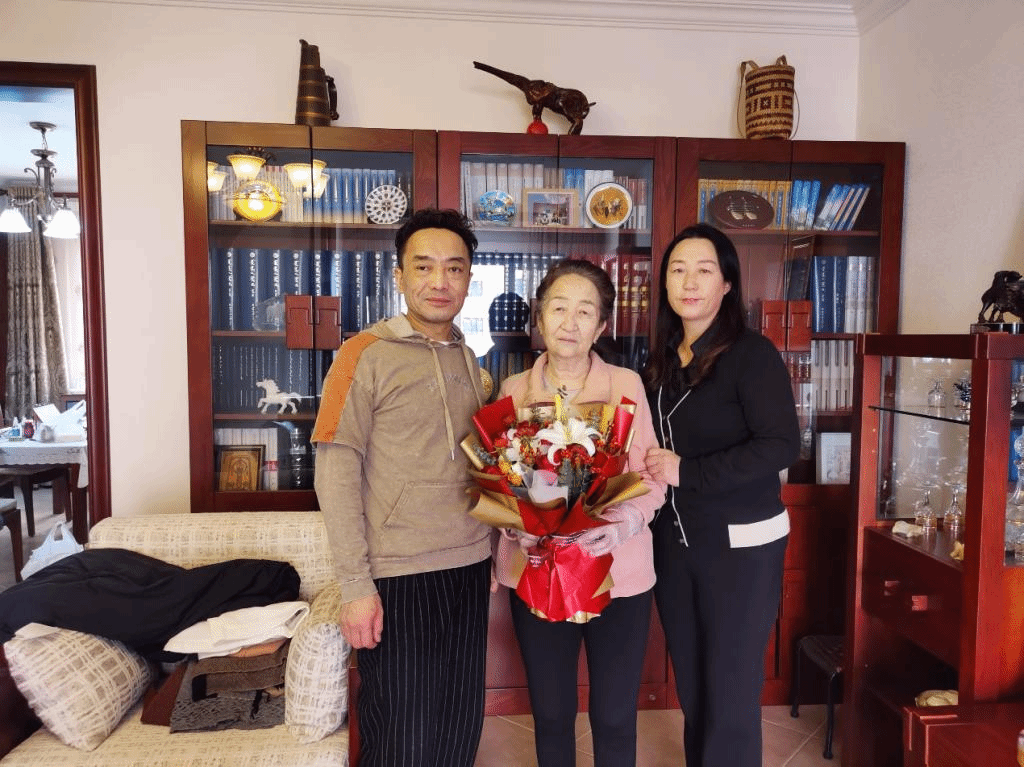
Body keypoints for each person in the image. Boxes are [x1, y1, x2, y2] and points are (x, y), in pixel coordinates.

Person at [311, 208, 492, 767]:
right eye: (424, 266)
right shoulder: (362, 354)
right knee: (402, 737)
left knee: (459, 725)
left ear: (468, 279)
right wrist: (355, 586)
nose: (440, 281)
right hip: (397, 574)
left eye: (454, 268)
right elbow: (335, 469)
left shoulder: (469, 358)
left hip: (469, 565)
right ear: (399, 276)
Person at [494, 258, 666, 767]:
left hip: (617, 573)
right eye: (558, 308)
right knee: (551, 713)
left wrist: (623, 524)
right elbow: (498, 481)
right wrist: (518, 527)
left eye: (585, 311)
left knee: (614, 715)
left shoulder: (626, 385)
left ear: (602, 325)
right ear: (539, 318)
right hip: (537, 571)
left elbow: (651, 476)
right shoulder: (513, 391)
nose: (570, 323)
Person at [642, 223, 800, 767]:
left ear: (727, 283)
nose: (689, 282)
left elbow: (781, 444)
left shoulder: (752, 354)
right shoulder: (664, 357)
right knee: (693, 682)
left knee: (730, 688)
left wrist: (688, 471)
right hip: (676, 543)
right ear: (665, 283)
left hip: (741, 547)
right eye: (678, 270)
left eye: (704, 270)